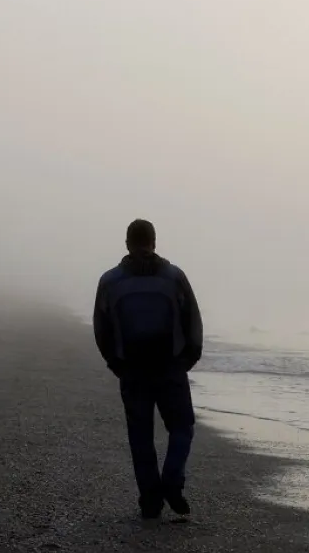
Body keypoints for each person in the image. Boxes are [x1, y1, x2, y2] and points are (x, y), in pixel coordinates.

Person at [93, 219, 204, 521]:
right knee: (182, 428)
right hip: (170, 368)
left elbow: (101, 331)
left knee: (140, 437)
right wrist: (186, 361)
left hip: (132, 371)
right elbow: (193, 322)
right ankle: (172, 480)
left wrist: (116, 364)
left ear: (127, 243)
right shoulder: (174, 277)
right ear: (154, 242)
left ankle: (151, 500)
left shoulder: (110, 281)